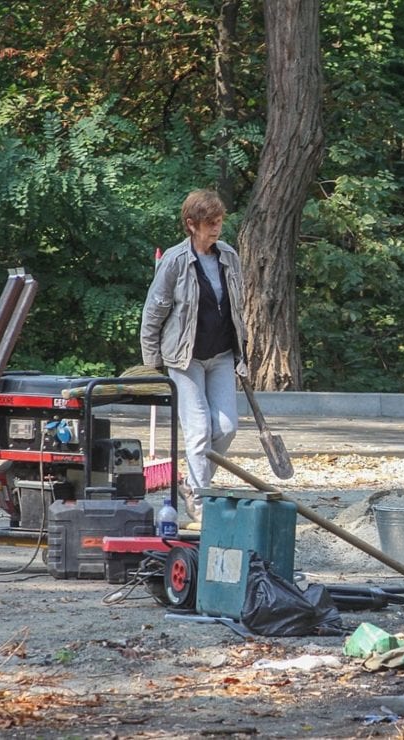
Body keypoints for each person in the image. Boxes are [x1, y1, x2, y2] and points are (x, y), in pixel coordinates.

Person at [140, 188, 247, 526]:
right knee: (199, 430)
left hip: (221, 354)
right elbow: (154, 311)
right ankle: (200, 500)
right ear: (191, 224)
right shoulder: (174, 260)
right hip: (183, 358)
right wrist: (151, 361)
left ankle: (190, 483)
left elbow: (237, 308)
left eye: (219, 222)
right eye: (210, 223)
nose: (216, 229)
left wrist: (243, 352)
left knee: (226, 428)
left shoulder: (228, 256)